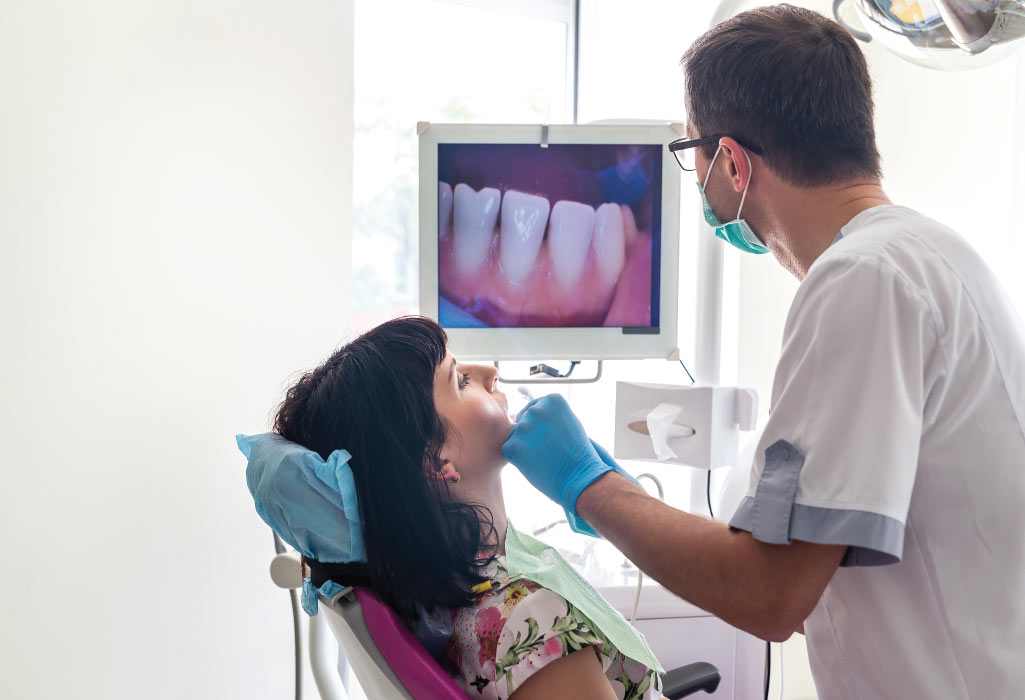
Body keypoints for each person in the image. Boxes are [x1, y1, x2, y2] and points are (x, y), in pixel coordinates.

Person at [502, 5, 1025, 699]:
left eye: (690, 155)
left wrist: (587, 487)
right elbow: (821, 581)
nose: (696, 180)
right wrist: (622, 502)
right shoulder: (928, 254)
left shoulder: (862, 279)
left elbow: (770, 598)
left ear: (732, 163)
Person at [243, 316, 664, 700]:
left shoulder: (441, 601)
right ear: (434, 462)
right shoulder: (528, 620)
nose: (490, 373)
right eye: (460, 380)